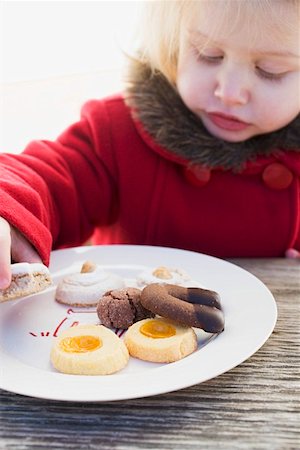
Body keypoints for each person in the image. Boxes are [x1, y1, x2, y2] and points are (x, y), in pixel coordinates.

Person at [0, 0, 299, 289]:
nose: (230, 92)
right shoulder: (118, 132)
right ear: (173, 40)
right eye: (208, 54)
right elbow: (48, 177)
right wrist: (7, 210)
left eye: (271, 70)